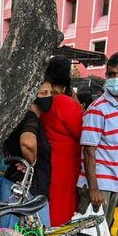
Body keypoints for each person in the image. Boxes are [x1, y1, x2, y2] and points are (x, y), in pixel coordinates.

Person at [79, 52, 118, 226]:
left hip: (117, 183)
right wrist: (94, 188)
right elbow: (89, 151)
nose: (115, 78)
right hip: (98, 184)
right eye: (111, 74)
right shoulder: (97, 109)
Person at [1, 82, 54, 228]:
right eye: (43, 93)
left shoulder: (16, 118)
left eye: (50, 93)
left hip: (14, 184)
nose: (49, 97)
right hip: (27, 187)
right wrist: (32, 163)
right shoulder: (30, 118)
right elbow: (27, 143)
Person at [40, 58, 83, 226]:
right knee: (63, 212)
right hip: (66, 166)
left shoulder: (43, 101)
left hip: (48, 163)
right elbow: (84, 135)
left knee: (50, 209)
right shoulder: (65, 103)